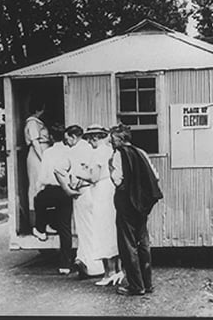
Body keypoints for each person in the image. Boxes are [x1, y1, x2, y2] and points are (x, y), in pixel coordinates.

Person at [109, 124, 162, 296]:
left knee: (127, 244)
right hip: (142, 204)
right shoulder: (141, 152)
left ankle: (135, 286)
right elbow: (156, 176)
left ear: (121, 140)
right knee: (143, 243)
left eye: (113, 139)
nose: (111, 142)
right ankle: (147, 284)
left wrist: (111, 170)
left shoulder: (118, 154)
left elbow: (117, 180)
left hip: (126, 202)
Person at [81, 124, 122, 286]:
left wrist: (78, 174)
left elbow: (94, 178)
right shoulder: (110, 150)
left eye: (92, 138)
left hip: (101, 192)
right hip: (110, 189)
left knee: (102, 230)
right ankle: (118, 270)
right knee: (111, 229)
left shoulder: (98, 152)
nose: (90, 141)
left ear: (96, 137)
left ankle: (109, 273)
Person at [32, 124, 76, 275]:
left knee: (38, 201)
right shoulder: (69, 151)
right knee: (65, 229)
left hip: (52, 189)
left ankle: (41, 228)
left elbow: (43, 175)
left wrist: (39, 187)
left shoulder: (48, 153)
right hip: (66, 190)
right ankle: (65, 265)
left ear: (51, 137)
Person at [62, 125, 104, 278]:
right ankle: (93, 263)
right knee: (94, 227)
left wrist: (68, 188)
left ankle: (89, 264)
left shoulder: (72, 152)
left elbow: (58, 169)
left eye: (68, 140)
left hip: (82, 191)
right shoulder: (93, 150)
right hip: (94, 191)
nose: (67, 143)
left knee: (84, 228)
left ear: (74, 137)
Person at [24, 98, 51, 228]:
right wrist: (43, 158)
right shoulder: (32, 123)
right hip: (37, 155)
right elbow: (35, 141)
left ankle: (45, 220)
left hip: (42, 152)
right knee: (37, 185)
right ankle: (37, 222)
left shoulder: (38, 122)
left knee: (43, 184)